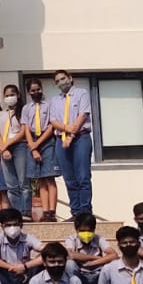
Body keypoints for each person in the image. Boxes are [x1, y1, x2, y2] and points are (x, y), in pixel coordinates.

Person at [49, 70, 94, 218]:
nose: (61, 82)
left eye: (63, 78)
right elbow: (54, 121)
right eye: (57, 81)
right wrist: (66, 129)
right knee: (69, 178)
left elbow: (82, 116)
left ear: (70, 78)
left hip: (80, 138)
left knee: (83, 177)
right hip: (61, 140)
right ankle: (75, 212)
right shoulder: (55, 100)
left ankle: (85, 211)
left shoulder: (81, 94)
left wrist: (71, 134)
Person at [19, 78, 63, 222]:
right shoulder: (26, 108)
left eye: (38, 89)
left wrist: (38, 143)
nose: (36, 92)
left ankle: (52, 212)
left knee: (49, 178)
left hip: (47, 140)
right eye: (33, 90)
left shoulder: (49, 105)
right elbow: (25, 128)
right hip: (32, 142)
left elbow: (51, 126)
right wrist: (33, 147)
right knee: (39, 180)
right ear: (28, 92)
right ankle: (44, 211)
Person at [0, 83, 32, 216]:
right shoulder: (2, 114)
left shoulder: (23, 111)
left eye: (12, 95)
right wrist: (3, 148)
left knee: (23, 183)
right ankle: (18, 213)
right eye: (6, 96)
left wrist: (8, 144)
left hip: (20, 146)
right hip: (5, 149)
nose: (9, 98)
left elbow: (23, 131)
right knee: (11, 185)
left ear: (18, 95)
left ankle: (26, 212)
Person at [66, 212, 117, 284]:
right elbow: (70, 255)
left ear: (94, 230)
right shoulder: (72, 239)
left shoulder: (98, 238)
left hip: (98, 278)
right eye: (82, 231)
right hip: (80, 278)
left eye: (89, 231)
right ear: (76, 230)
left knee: (113, 264)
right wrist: (96, 258)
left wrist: (92, 263)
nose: (86, 234)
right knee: (69, 264)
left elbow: (114, 255)